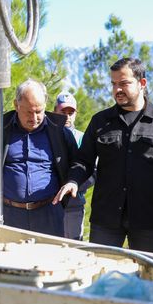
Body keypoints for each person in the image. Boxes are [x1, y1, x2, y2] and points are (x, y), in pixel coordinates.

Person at [54, 58, 153, 255]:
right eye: (114, 84)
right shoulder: (100, 121)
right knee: (103, 275)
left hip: (150, 221)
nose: (117, 89)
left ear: (141, 83)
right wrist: (73, 181)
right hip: (106, 220)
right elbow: (84, 160)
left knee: (150, 278)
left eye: (124, 83)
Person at [0, 79, 78, 237]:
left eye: (39, 111)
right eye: (28, 112)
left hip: (49, 215)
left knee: (48, 261)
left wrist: (72, 181)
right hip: (8, 216)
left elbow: (78, 164)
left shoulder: (60, 133)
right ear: (16, 105)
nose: (34, 118)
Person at [53, 92, 93, 240]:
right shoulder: (47, 136)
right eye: (63, 112)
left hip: (74, 204)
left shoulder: (83, 138)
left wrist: (74, 186)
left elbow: (92, 171)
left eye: (71, 112)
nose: (67, 116)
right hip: (49, 205)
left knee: (73, 247)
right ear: (54, 112)